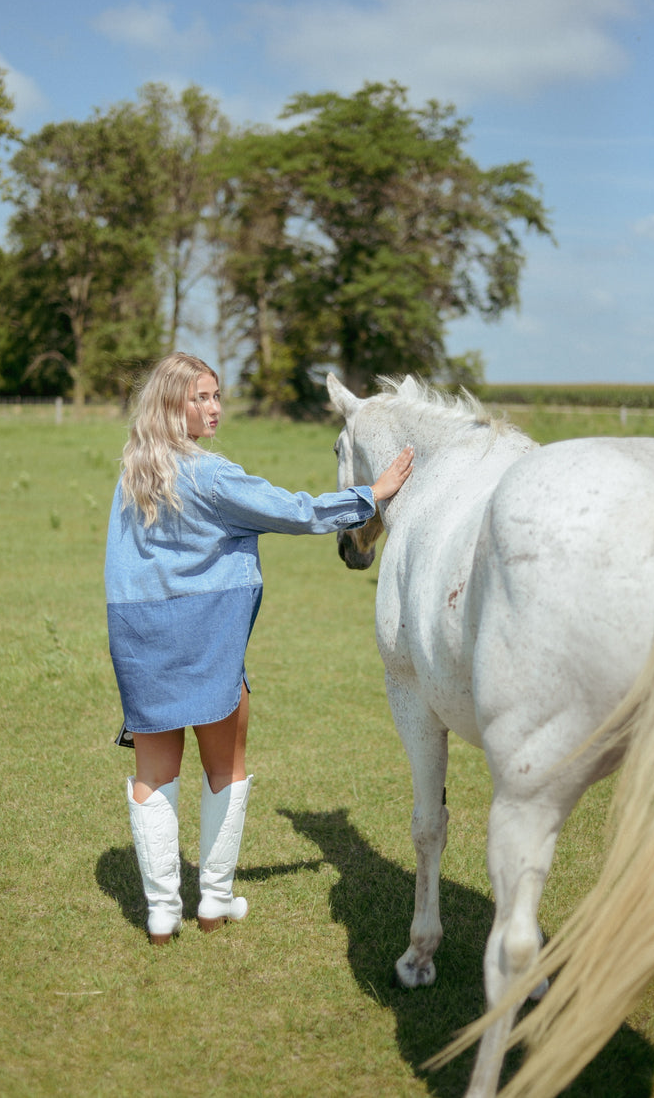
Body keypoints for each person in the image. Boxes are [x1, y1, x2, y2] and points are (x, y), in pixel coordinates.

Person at [105, 352, 413, 944]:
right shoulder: (212, 476)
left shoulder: (133, 476)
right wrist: (369, 495)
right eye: (201, 398)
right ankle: (214, 904)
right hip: (207, 642)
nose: (215, 407)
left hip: (140, 643)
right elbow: (293, 511)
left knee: (153, 774)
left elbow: (121, 572)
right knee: (226, 767)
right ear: (173, 405)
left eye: (217, 395)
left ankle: (161, 913)